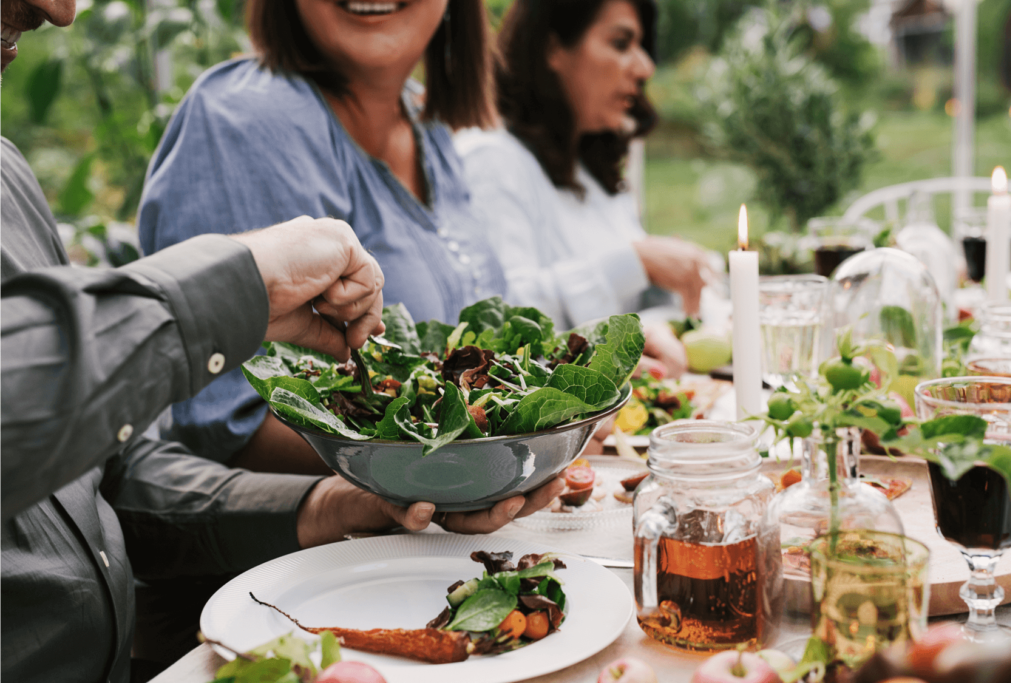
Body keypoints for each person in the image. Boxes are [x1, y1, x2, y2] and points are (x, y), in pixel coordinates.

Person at [0, 2, 562, 681]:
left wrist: (336, 503)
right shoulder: (249, 116)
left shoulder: (9, 179)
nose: (61, 10)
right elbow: (213, 423)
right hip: (271, 614)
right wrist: (238, 285)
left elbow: (101, 480)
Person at [136, 0, 509, 475]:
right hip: (323, 547)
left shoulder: (423, 120)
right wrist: (476, 457)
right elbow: (227, 428)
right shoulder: (252, 116)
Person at [455, 0, 711, 378]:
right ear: (552, 49)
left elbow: (635, 306)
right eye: (621, 43)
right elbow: (496, 321)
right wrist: (638, 260)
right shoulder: (490, 161)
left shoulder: (592, 166)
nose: (645, 68)